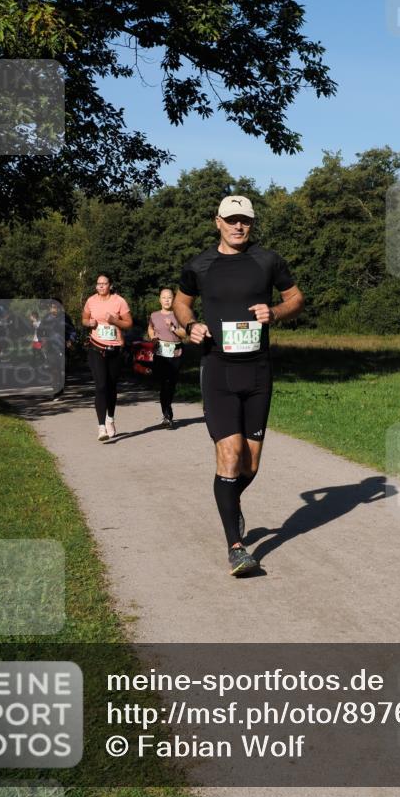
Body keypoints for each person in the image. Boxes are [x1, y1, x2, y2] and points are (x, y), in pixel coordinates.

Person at [174, 195, 305, 576]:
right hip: (217, 370)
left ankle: (229, 502)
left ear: (251, 223)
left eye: (244, 220)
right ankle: (236, 546)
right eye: (231, 220)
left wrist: (276, 312)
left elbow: (296, 298)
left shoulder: (268, 261)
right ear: (217, 221)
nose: (238, 226)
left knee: (250, 462)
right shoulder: (199, 265)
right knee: (230, 454)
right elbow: (182, 304)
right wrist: (190, 325)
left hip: (258, 372)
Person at [82, 276, 133, 441]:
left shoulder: (119, 301)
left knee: (111, 386)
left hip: (115, 349)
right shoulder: (91, 301)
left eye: (104, 284)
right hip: (96, 347)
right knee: (101, 386)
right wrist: (88, 323)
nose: (101, 286)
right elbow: (84, 319)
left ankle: (110, 418)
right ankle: (101, 427)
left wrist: (115, 321)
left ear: (110, 285)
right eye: (98, 284)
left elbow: (129, 324)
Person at [147, 287, 187, 428]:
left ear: (173, 299)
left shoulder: (179, 315)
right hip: (161, 352)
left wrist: (173, 329)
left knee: (172, 384)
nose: (166, 300)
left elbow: (184, 334)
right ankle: (167, 414)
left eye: (169, 297)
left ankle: (167, 411)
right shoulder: (154, 315)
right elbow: (151, 328)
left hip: (176, 352)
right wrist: (153, 337)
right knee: (164, 383)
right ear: (160, 300)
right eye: (164, 297)